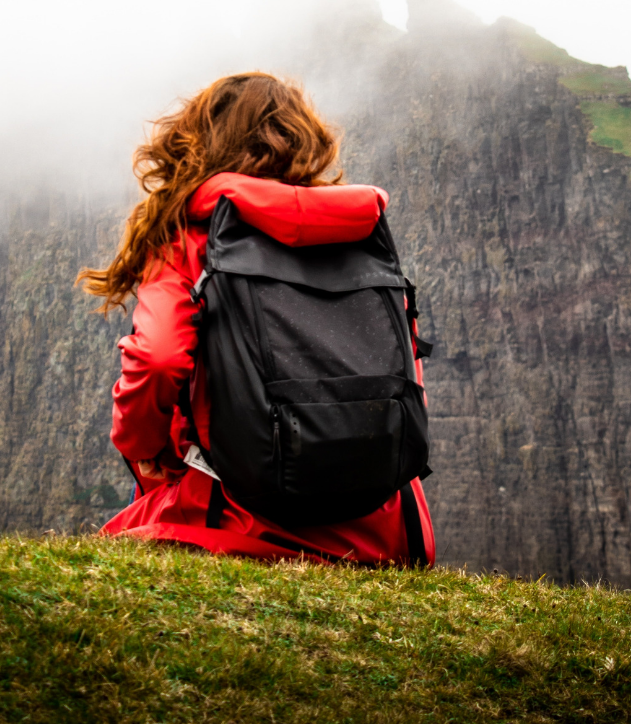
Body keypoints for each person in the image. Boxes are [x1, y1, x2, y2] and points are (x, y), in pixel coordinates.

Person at [78, 72, 435, 565]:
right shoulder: (360, 235)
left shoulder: (193, 238)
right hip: (381, 528)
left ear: (200, 144)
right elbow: (404, 369)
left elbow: (158, 359)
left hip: (242, 518)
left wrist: (142, 448)